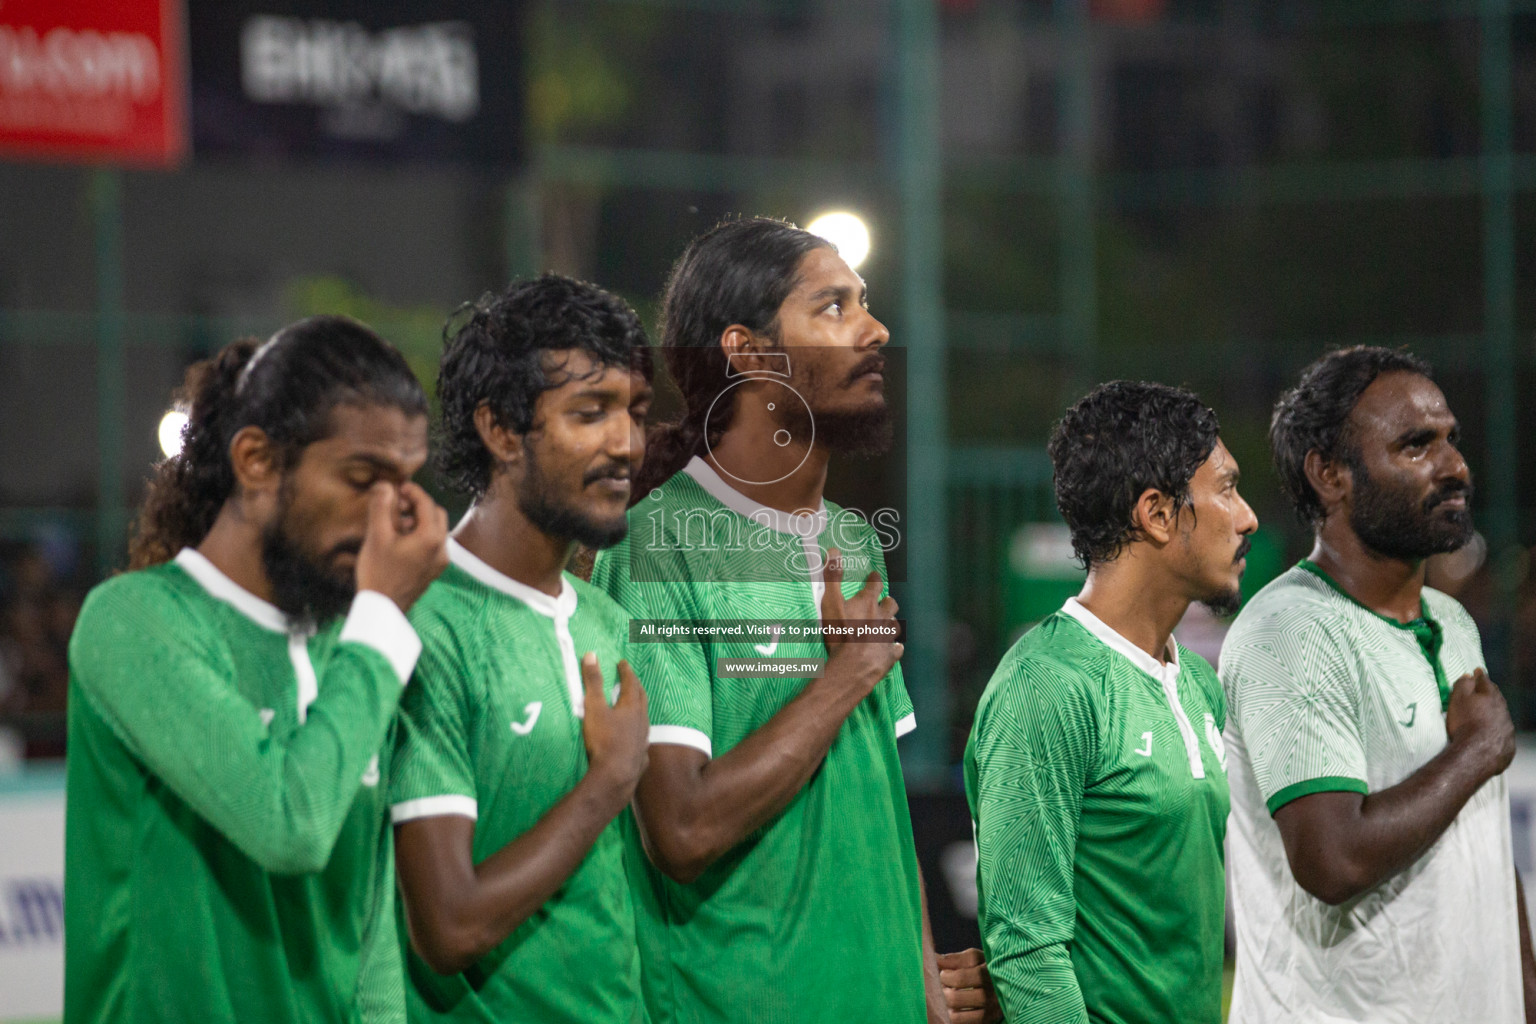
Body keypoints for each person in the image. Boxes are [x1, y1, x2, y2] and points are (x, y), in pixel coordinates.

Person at [590, 216, 965, 1023]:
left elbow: (874, 797)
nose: (875, 330)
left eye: (864, 303)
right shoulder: (661, 545)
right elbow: (681, 829)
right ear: (749, 352)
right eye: (833, 307)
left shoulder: (852, 540)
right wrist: (845, 676)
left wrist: (923, 973)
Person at [65, 316, 449, 1023]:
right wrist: (385, 620)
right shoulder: (135, 624)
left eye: (405, 484)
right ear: (257, 462)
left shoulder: (357, 644)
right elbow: (290, 826)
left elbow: (370, 937)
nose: (389, 515)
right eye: (362, 478)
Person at [1222, 346, 1533, 1023]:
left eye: (1451, 439)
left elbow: (1481, 848)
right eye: (1416, 445)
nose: (1454, 467)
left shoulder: (1451, 623)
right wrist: (1474, 752)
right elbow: (1332, 860)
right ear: (1330, 475)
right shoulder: (1292, 630)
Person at [386, 274, 654, 1022]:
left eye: (634, 411)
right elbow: (448, 926)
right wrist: (608, 782)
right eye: (589, 412)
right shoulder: (422, 626)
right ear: (501, 432)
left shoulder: (606, 621)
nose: (626, 443)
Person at [965, 381, 1253, 1024]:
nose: (1247, 516)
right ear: (1156, 513)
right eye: (1227, 490)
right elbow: (1027, 948)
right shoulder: (1044, 686)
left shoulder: (1198, 684)